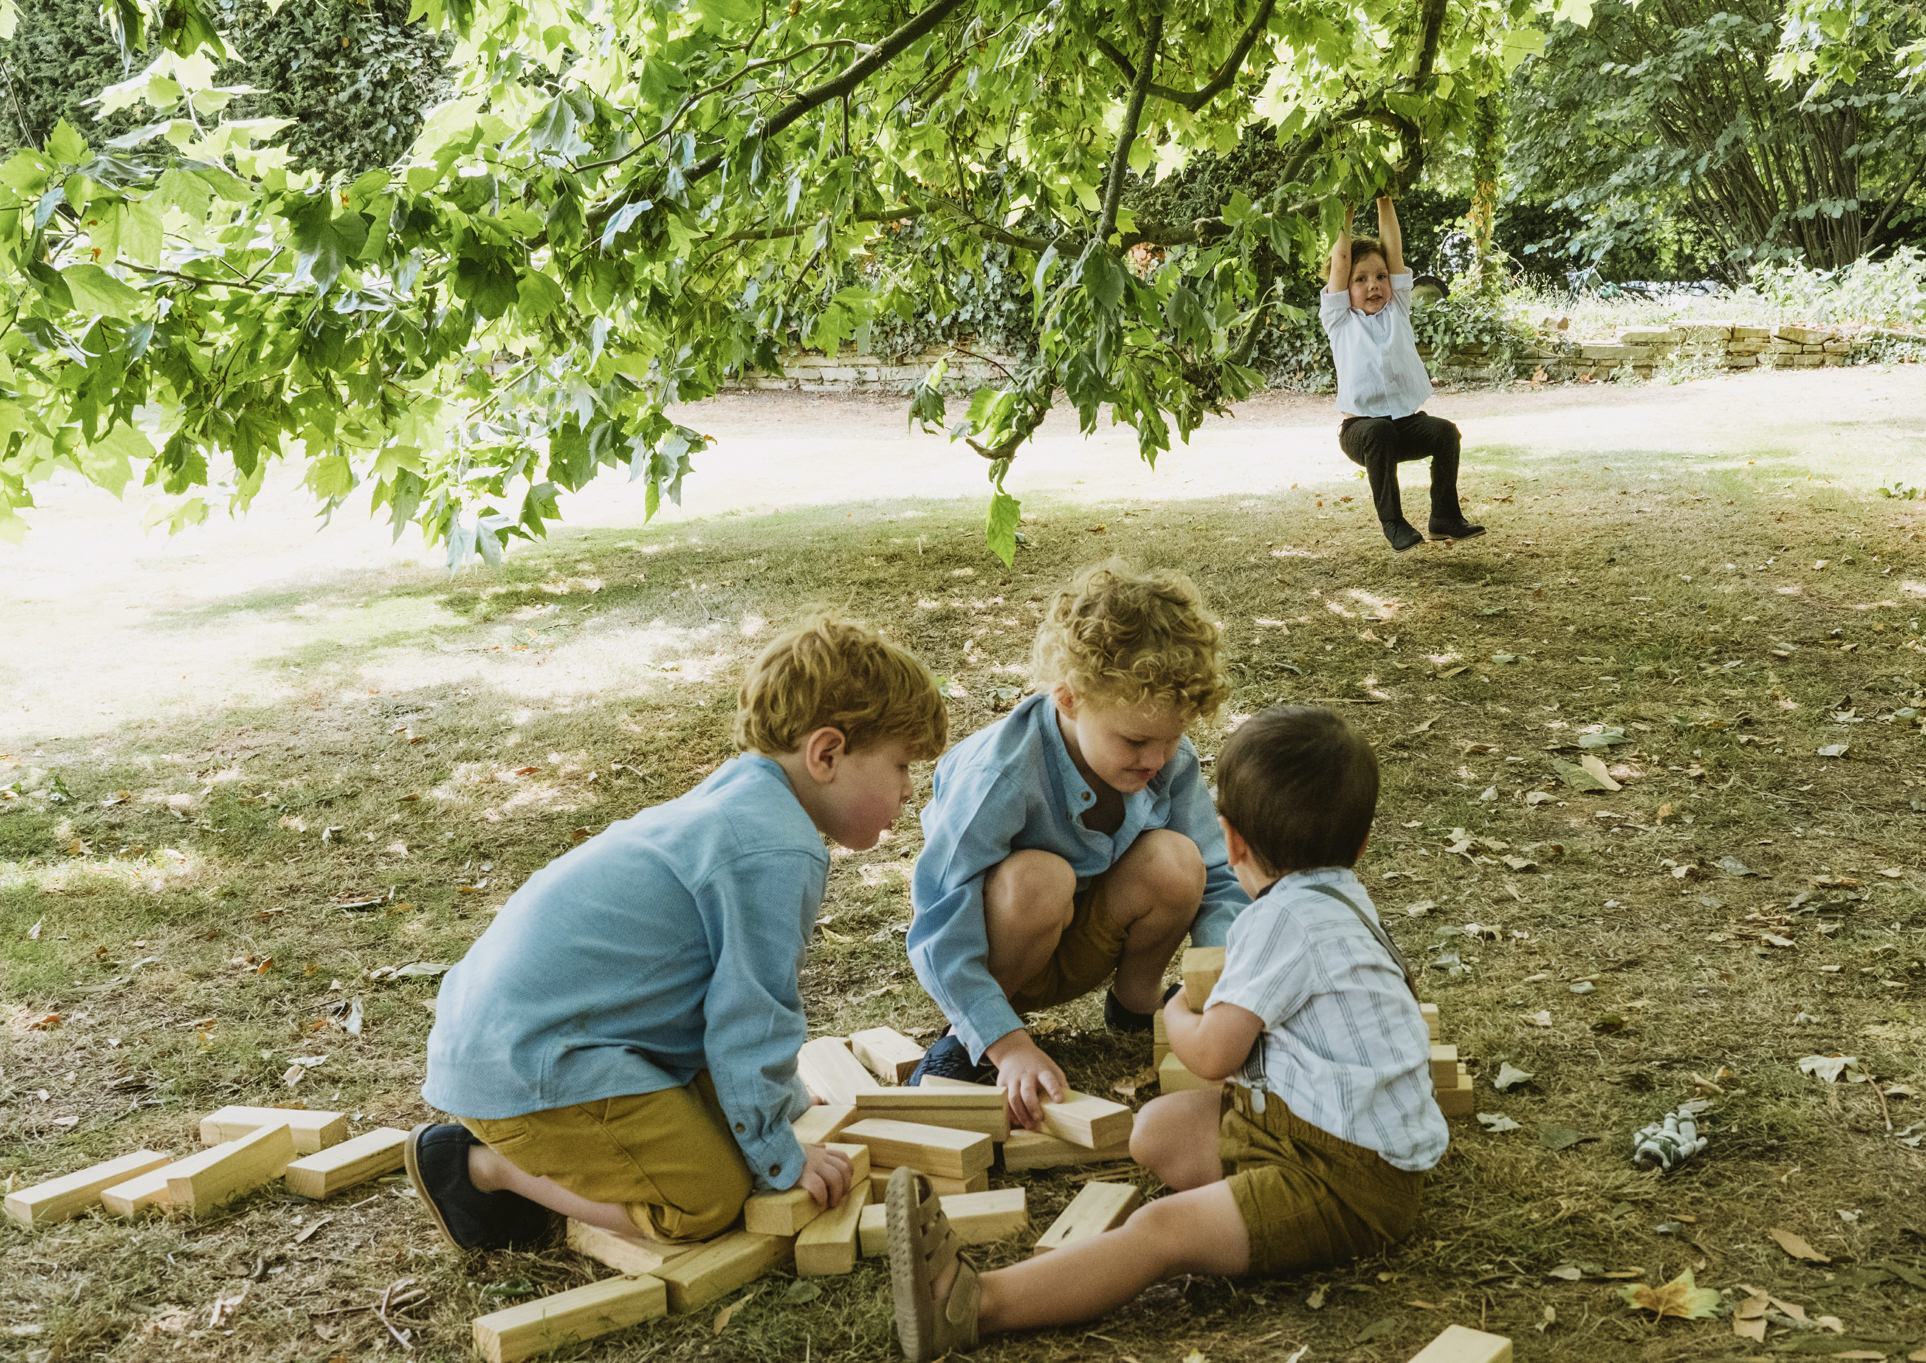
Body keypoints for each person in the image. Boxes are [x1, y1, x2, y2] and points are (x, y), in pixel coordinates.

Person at [883, 704, 1447, 1360]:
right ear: (1359, 845)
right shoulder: (1345, 895)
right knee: (1154, 1130)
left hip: (1343, 1183)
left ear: (1232, 841)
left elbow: (1211, 1053)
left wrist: (1178, 1008)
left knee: (1160, 1229)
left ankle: (974, 1304)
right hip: (1310, 1130)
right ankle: (1240, 1211)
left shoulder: (1280, 923)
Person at [405, 617, 947, 1250]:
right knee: (708, 1200)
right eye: (902, 766)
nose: (910, 790)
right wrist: (782, 1153)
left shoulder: (744, 802)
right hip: (533, 1065)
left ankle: (521, 1146)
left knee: (726, 1141)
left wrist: (788, 1104)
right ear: (825, 754)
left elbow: (717, 1010)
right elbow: (752, 1016)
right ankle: (480, 1167)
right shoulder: (777, 851)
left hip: (518, 1040)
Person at [903, 559, 1245, 1129]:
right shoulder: (999, 775)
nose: (1156, 760)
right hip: (1005, 950)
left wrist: (1224, 982)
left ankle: (1137, 1007)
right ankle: (980, 1035)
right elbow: (940, 921)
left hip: (1086, 936)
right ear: (1068, 698)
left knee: (1178, 861)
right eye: (1136, 740)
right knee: (1038, 877)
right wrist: (1005, 1041)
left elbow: (1218, 877)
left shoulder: (1162, 756)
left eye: (1173, 737)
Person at [1324, 195, 1484, 552]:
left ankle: (1444, 518)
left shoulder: (1398, 307)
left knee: (1444, 433)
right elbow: (1341, 259)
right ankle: (1394, 523)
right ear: (1344, 287)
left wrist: (1384, 199)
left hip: (1404, 424)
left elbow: (1393, 250)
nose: (1373, 285)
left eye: (1380, 277)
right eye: (1361, 279)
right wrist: (1345, 207)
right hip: (1361, 431)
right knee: (1378, 429)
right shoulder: (1339, 319)